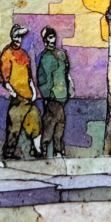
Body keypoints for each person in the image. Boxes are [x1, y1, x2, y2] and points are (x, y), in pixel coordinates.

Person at [0, 24, 43, 159]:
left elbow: (28, 76)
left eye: (20, 36)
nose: (18, 39)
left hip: (28, 98)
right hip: (17, 99)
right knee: (14, 127)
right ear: (12, 37)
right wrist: (13, 92)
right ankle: (9, 153)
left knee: (36, 121)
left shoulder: (24, 54)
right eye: (16, 36)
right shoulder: (7, 53)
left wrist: (33, 91)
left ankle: (37, 150)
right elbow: (5, 76)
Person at [37, 26, 74, 157]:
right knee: (52, 122)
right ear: (45, 40)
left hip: (62, 96)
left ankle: (55, 149)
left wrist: (70, 88)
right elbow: (42, 79)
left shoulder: (61, 54)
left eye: (53, 38)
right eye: (49, 38)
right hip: (52, 97)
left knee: (58, 122)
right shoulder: (45, 58)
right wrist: (47, 96)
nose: (52, 41)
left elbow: (66, 73)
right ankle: (48, 149)